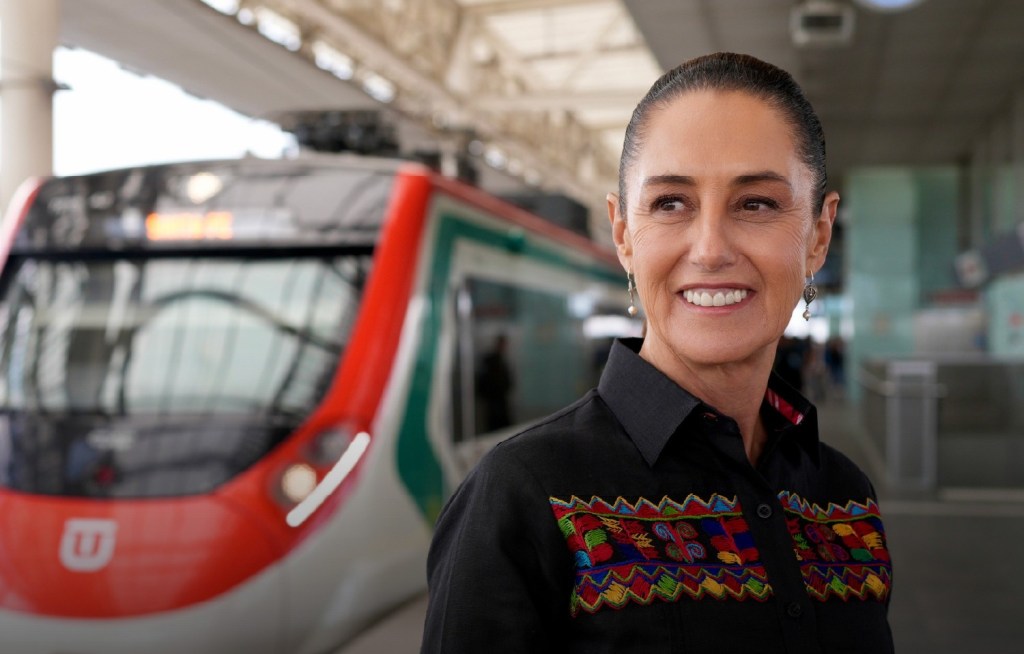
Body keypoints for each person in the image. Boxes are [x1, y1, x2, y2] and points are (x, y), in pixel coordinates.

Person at [421, 52, 893, 653]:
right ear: (623, 234)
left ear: (819, 236)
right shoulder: (522, 495)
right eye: (671, 203)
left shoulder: (845, 500)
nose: (711, 249)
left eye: (757, 204)